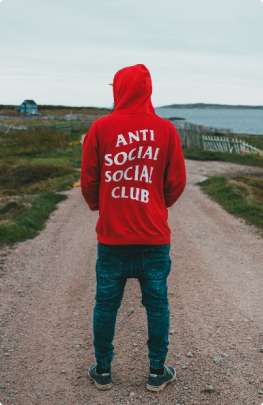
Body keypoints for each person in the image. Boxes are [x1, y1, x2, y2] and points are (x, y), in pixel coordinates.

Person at [81, 64, 186, 392]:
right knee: (157, 304)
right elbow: (177, 182)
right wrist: (156, 202)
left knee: (105, 304)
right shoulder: (166, 131)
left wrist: (102, 204)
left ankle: (103, 371)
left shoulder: (100, 128)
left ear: (119, 90)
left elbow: (88, 180)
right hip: (154, 239)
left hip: (111, 239)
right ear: (147, 90)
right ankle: (157, 372)